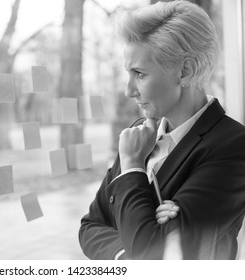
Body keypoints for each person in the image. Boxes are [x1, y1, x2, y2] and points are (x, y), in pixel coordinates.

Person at [79, 0, 245, 260]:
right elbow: (91, 226)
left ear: (185, 71)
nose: (128, 90)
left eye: (140, 74)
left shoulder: (233, 146)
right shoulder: (138, 133)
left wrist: (133, 165)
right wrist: (129, 254)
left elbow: (155, 257)